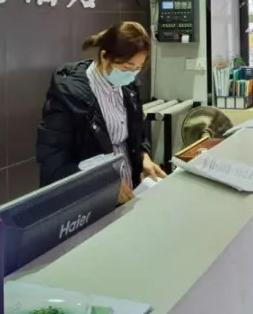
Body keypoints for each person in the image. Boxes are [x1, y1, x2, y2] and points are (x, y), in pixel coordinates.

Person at [36, 22, 166, 203]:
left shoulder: (129, 87)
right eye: (127, 67)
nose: (132, 74)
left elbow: (137, 133)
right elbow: (53, 163)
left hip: (127, 192)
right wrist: (101, 185)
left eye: (138, 68)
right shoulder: (69, 95)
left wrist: (143, 157)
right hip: (89, 200)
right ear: (104, 57)